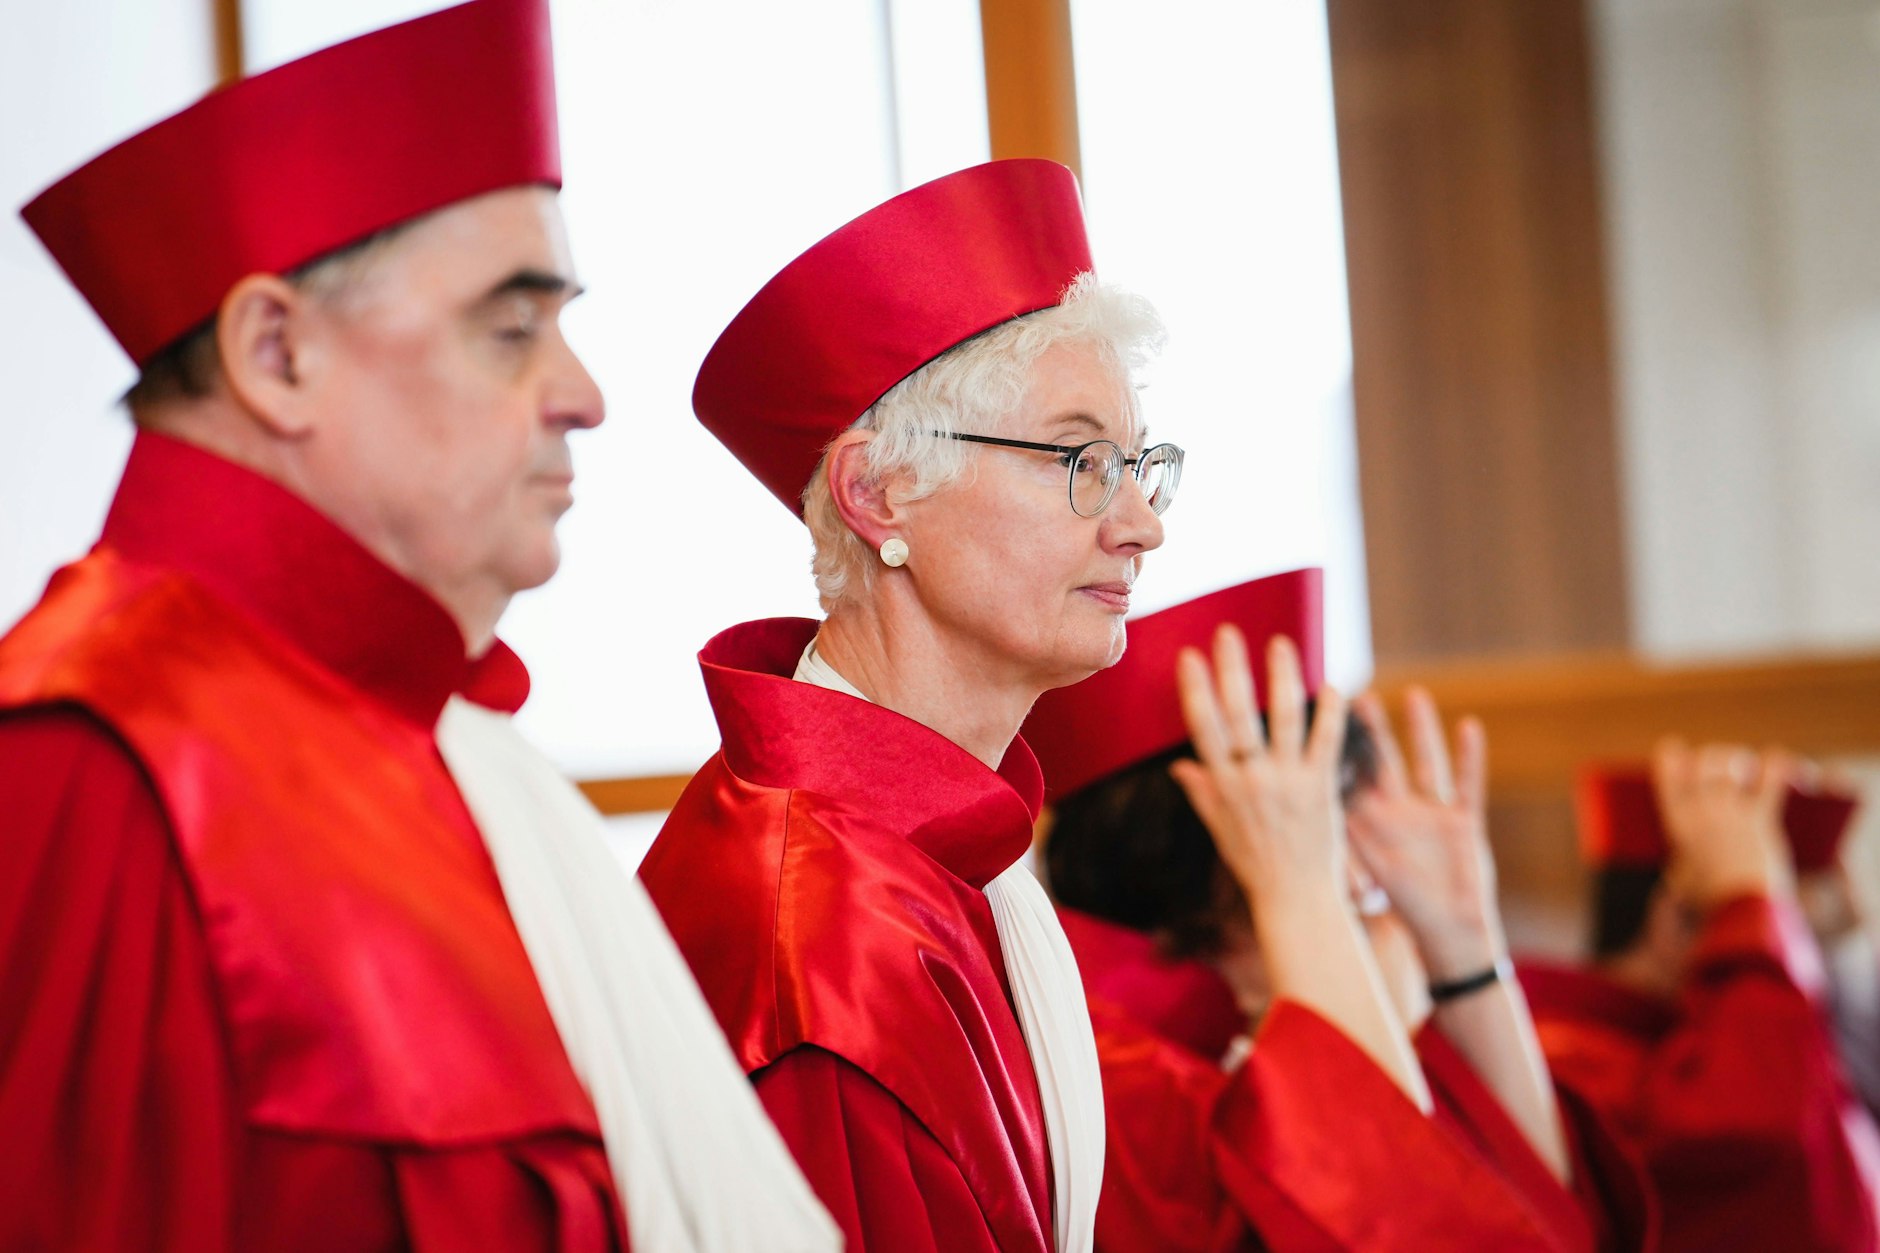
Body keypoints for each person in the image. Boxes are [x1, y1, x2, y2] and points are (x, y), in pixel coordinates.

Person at [0, 3, 834, 1250]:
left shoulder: (431, 745)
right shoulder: (92, 753)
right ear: (275, 351)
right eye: (510, 328)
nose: (585, 394)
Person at [637, 158, 1179, 1253]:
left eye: (1137, 463)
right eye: (1077, 458)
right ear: (877, 492)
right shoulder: (822, 935)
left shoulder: (928, 848)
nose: (1139, 524)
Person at [1028, 571, 1654, 1251]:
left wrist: (1466, 950)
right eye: (1329, 816)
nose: (1361, 873)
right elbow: (1432, 1231)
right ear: (1213, 843)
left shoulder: (1283, 997)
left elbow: (1561, 1227)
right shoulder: (1125, 1078)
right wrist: (1301, 890)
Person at [1521, 748, 1880, 1252]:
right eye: (1787, 939)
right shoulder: (1568, 1057)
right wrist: (1745, 900)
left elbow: (1845, 1120)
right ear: (1676, 923)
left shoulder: (1732, 1032)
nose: (1797, 980)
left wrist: (1844, 951)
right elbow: (1762, 1142)